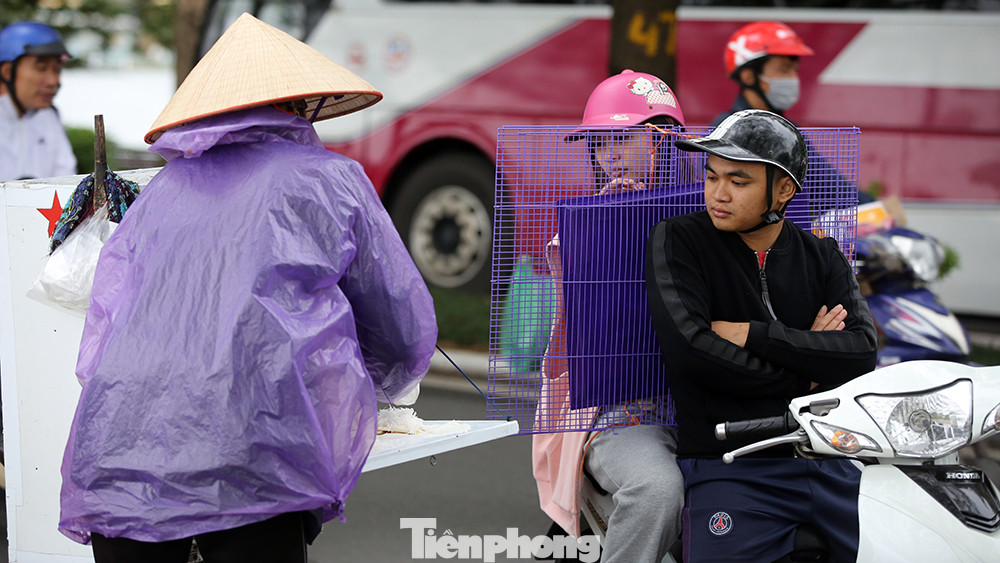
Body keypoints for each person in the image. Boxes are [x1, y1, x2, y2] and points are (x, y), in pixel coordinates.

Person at [58, 13, 436, 562]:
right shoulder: (329, 180)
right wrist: (372, 388)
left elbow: (102, 331)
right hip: (254, 455)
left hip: (118, 451)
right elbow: (398, 323)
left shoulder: (161, 191)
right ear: (295, 106)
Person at [645, 109, 878, 562]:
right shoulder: (679, 240)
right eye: (712, 177)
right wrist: (806, 375)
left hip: (827, 459)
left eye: (739, 181)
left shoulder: (822, 255)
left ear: (784, 189)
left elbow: (861, 351)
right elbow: (692, 351)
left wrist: (754, 334)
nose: (719, 193)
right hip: (728, 465)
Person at [532, 69, 686, 562]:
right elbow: (568, 347)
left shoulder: (711, 216)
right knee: (656, 491)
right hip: (623, 415)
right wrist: (607, 230)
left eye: (621, 138)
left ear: (663, 141)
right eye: (598, 144)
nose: (608, 155)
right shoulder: (585, 227)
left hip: (707, 411)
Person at [0, 21, 76, 180]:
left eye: (57, 70)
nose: (54, 81)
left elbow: (65, 177)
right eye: (41, 69)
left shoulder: (49, 117)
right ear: (7, 71)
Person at [712, 21, 813, 127]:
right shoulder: (725, 130)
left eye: (796, 71)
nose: (793, 78)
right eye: (784, 70)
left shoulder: (791, 129)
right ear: (748, 76)